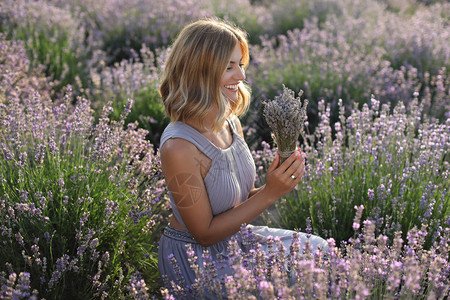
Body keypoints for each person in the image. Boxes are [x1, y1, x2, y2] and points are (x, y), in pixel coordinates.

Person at [158, 18, 328, 298]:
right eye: (229, 67)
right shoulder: (179, 146)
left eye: (241, 65)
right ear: (200, 72)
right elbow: (204, 233)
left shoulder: (230, 124)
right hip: (197, 260)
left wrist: (276, 184)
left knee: (319, 250)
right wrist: (270, 194)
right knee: (283, 280)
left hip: (236, 241)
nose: (241, 76)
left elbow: (234, 202)